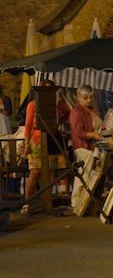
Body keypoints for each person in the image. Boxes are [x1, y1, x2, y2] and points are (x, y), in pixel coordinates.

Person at [21, 80, 61, 215]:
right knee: (35, 171)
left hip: (51, 140)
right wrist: (26, 144)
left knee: (50, 172)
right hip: (36, 141)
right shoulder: (32, 105)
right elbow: (27, 127)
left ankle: (47, 201)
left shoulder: (55, 105)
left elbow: (65, 112)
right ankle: (27, 202)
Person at [69, 85, 103, 207]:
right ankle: (77, 201)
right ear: (78, 97)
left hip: (95, 148)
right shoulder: (76, 112)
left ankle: (90, 200)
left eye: (90, 97)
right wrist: (92, 135)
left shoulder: (93, 111)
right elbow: (77, 132)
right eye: (85, 97)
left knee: (96, 174)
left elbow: (98, 126)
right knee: (84, 174)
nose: (88, 100)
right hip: (82, 148)